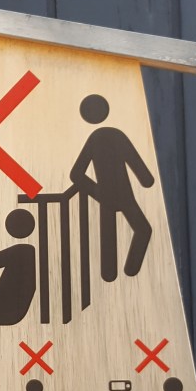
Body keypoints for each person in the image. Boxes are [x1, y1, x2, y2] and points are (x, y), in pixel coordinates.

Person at [68, 94, 155, 282]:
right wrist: (145, 180)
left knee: (108, 236)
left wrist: (98, 193)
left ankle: (110, 275)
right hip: (124, 195)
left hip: (105, 197)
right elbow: (139, 168)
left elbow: (76, 174)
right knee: (143, 230)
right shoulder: (116, 135)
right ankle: (130, 270)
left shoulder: (95, 138)